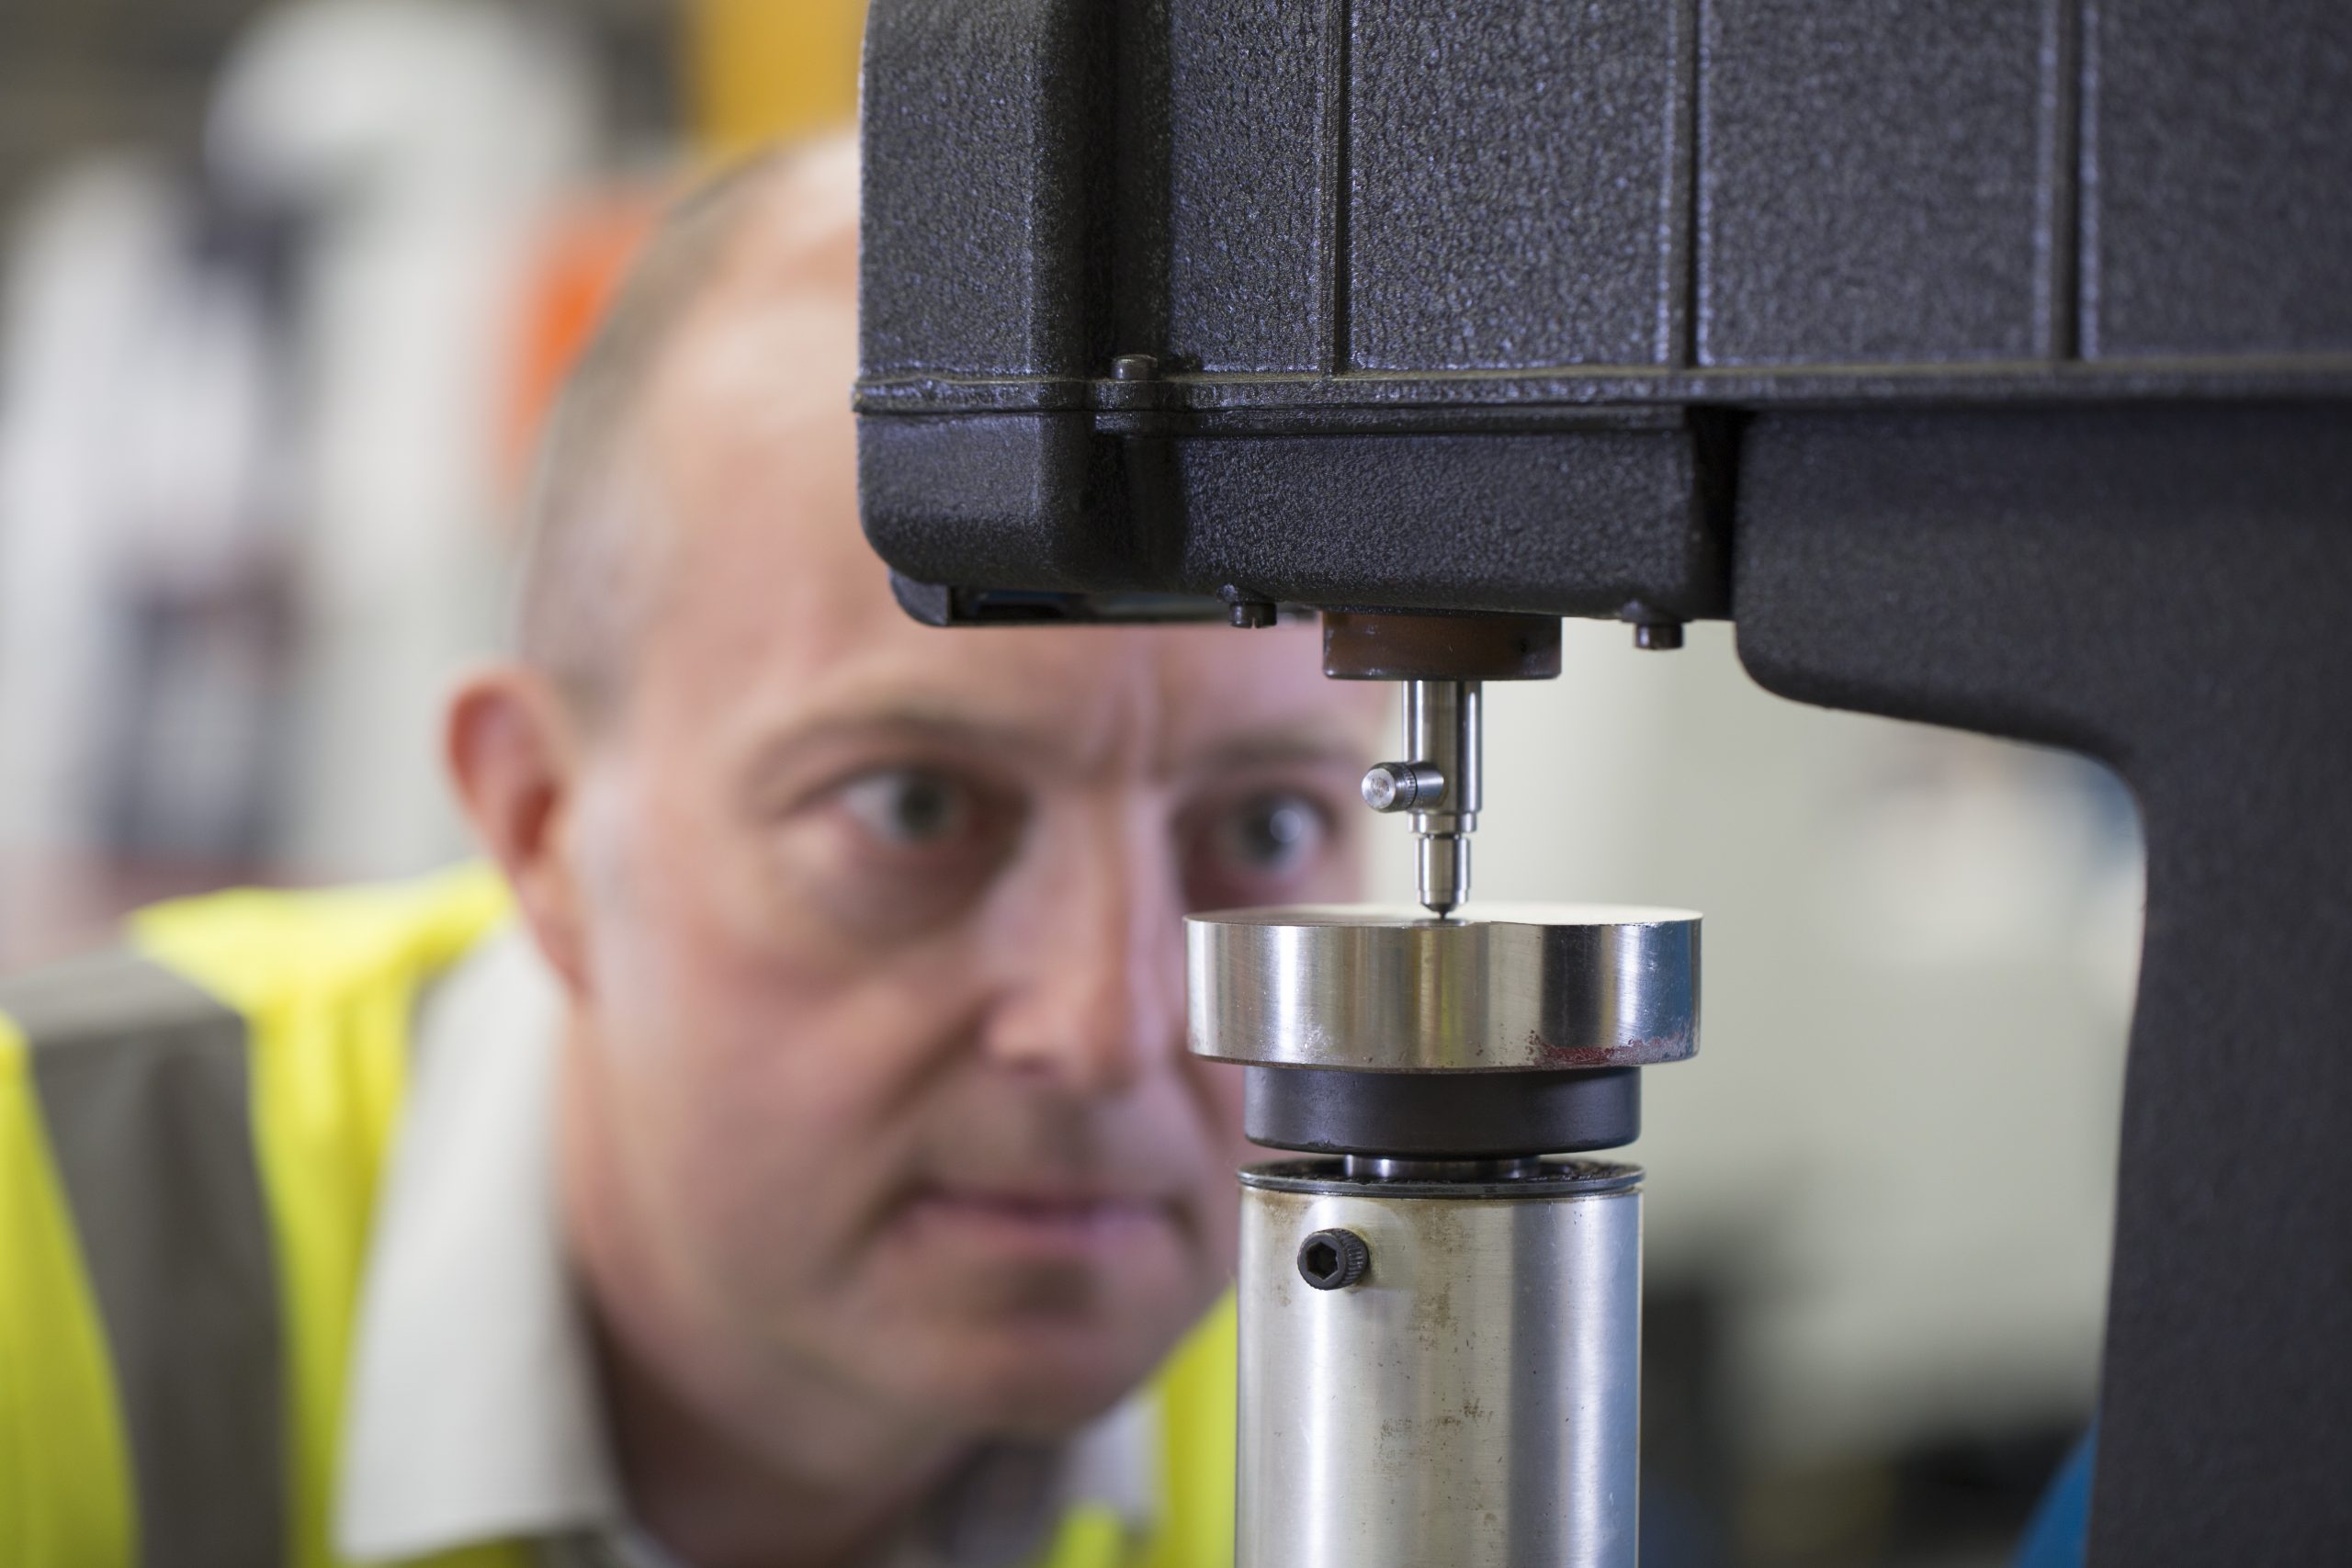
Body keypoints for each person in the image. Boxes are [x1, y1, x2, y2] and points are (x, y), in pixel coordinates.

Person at [0, 137, 1385, 1568]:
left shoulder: (1385, 1372)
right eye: (913, 808)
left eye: (1265, 828)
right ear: (541, 823)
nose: (1109, 1028)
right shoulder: (34, 1250)